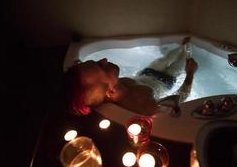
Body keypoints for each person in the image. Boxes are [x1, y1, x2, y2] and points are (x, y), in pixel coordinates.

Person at [64, 37, 198, 116]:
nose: (104, 59)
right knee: (182, 62)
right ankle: (188, 49)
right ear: (110, 92)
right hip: (165, 82)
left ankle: (184, 46)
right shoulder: (142, 104)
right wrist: (190, 75)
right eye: (100, 66)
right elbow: (178, 100)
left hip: (147, 72)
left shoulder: (113, 86)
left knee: (169, 57)